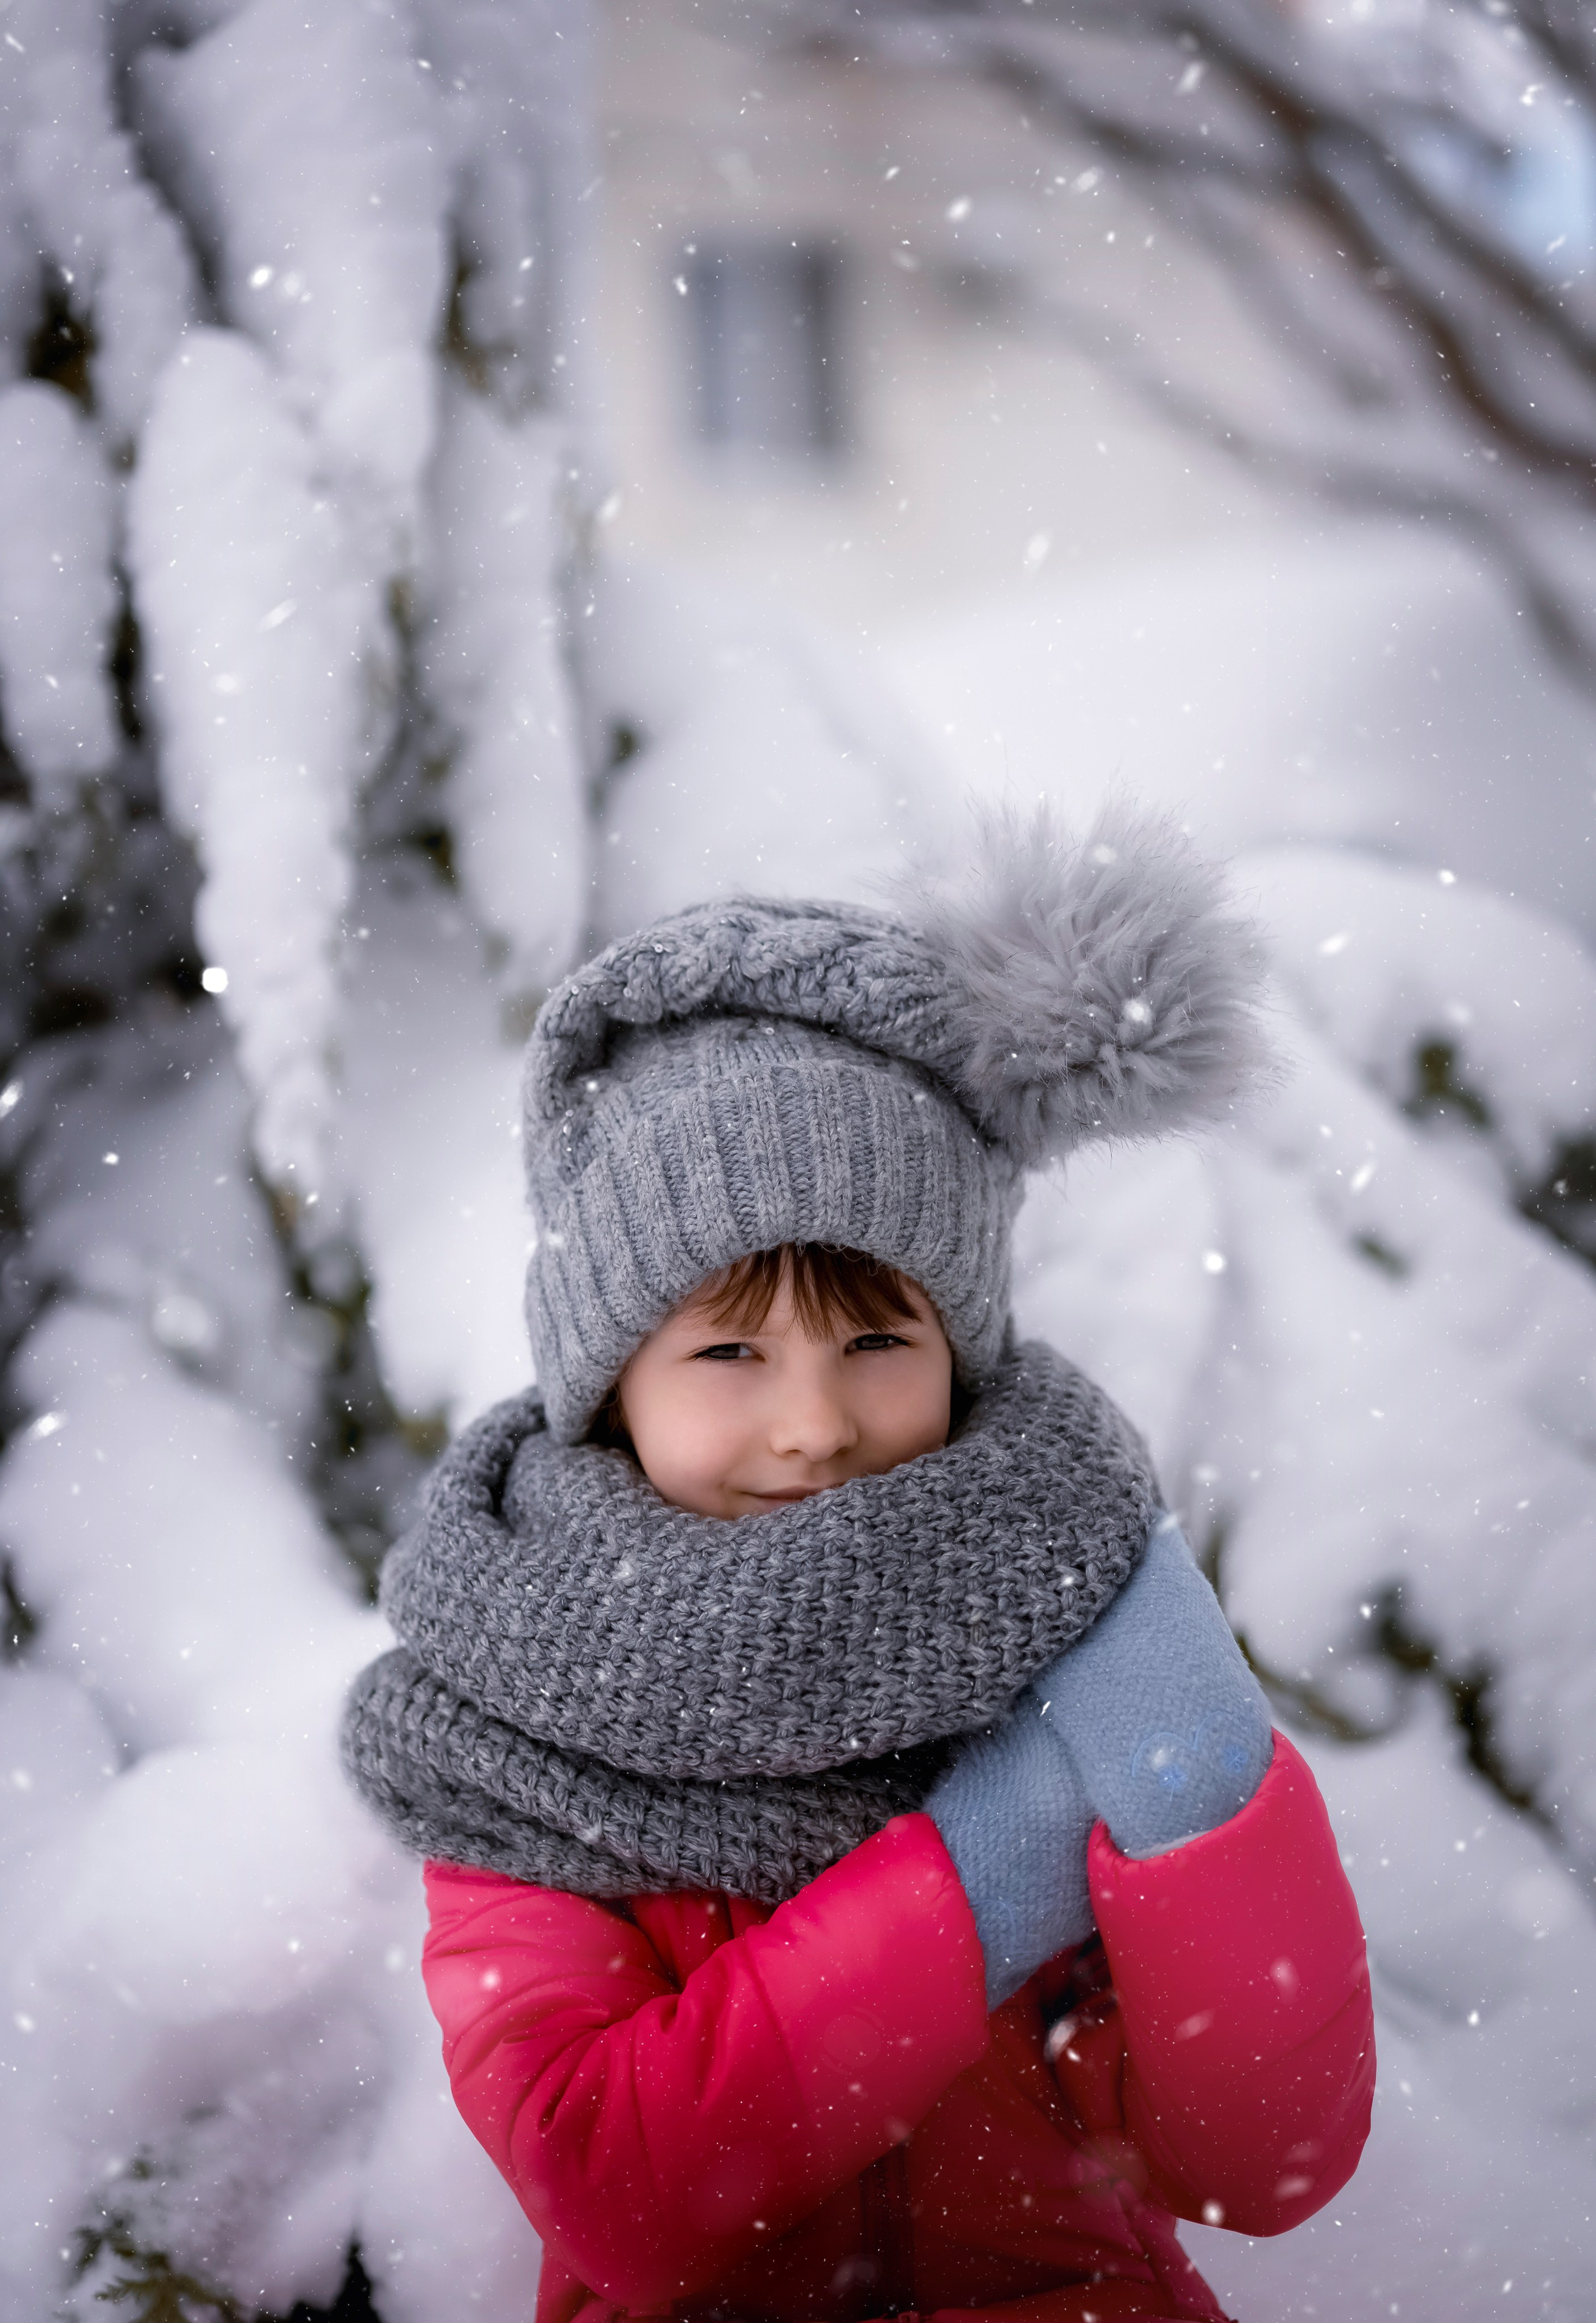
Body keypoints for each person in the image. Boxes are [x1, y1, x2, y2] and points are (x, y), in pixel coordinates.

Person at [342, 806, 1375, 2323]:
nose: (812, 1425)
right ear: (608, 1383)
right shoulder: (519, 1729)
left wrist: (1193, 1795)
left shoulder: (1069, 1638)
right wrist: (983, 1877)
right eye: (729, 1352)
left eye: (879, 1340)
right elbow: (622, 2187)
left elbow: (1258, 2168)